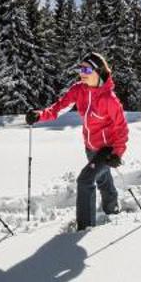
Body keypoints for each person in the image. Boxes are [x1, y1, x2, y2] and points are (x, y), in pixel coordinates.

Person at [26, 50, 128, 230]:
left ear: (99, 73)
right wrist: (39, 115)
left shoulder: (109, 100)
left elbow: (121, 128)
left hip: (107, 150)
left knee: (85, 180)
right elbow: (58, 108)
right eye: (81, 69)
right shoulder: (78, 90)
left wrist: (117, 153)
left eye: (87, 70)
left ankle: (85, 226)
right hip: (90, 147)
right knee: (102, 177)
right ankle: (112, 208)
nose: (82, 74)